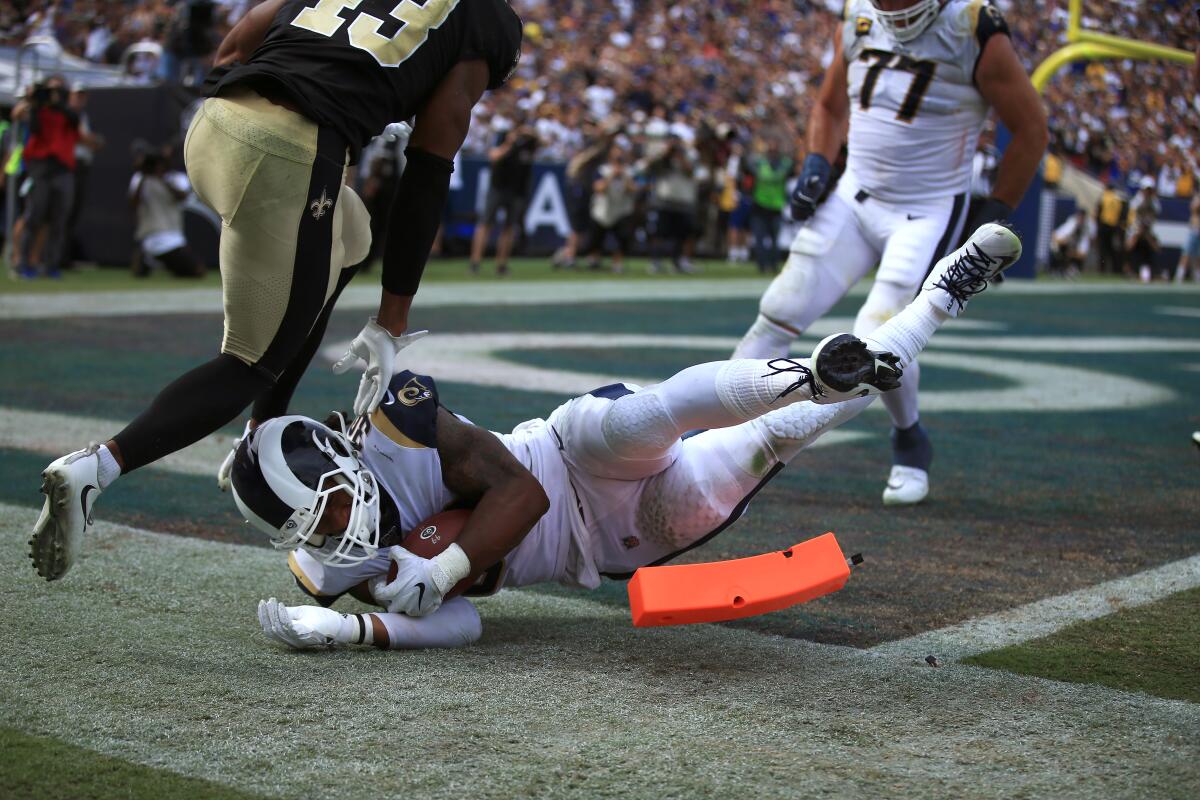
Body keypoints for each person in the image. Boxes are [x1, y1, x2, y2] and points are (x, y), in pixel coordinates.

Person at [248, 224, 1020, 650]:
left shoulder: (401, 425)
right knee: (787, 434)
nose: (333, 531)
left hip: (564, 451)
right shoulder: (331, 561)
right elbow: (465, 622)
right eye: (313, 527)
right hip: (609, 543)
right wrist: (360, 629)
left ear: (343, 461)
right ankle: (941, 300)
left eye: (329, 510)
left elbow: (522, 490)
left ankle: (814, 371)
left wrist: (446, 564)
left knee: (650, 415)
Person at [28, 0, 524, 582]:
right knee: (250, 363)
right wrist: (393, 318)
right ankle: (98, 467)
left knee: (352, 232)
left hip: (215, 122)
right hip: (289, 152)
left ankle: (259, 432)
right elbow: (429, 167)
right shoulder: (483, 19)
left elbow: (241, 38)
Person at [732, 0, 1047, 507]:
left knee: (875, 339)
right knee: (779, 311)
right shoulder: (858, 15)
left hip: (926, 210)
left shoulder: (974, 28)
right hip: (853, 198)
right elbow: (831, 105)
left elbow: (1032, 129)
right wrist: (818, 158)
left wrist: (996, 209)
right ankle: (719, 438)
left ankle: (909, 438)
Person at [13, 75, 80, 279]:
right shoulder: (38, 109)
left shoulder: (67, 112)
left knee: (59, 220)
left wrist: (57, 103)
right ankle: (24, 263)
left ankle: (51, 264)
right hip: (40, 168)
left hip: (62, 169)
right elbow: (32, 128)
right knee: (34, 215)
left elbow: (74, 122)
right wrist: (36, 103)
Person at [469, 114, 540, 277]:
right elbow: (493, 157)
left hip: (518, 189)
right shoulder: (503, 136)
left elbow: (543, 145)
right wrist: (510, 142)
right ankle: (475, 262)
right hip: (499, 186)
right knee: (485, 223)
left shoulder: (530, 141)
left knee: (509, 227)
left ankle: (501, 264)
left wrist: (531, 134)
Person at [129, 145, 205, 278]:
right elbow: (133, 204)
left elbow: (181, 197)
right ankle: (149, 259)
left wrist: (161, 178)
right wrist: (144, 174)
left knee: (197, 271)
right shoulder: (140, 179)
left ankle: (155, 263)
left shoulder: (177, 178)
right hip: (149, 238)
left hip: (173, 240)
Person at [580, 144, 637, 272]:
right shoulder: (602, 170)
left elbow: (634, 188)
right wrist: (611, 175)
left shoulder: (628, 171)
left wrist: (623, 176)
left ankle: (617, 263)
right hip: (603, 210)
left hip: (621, 209)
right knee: (596, 238)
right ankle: (594, 259)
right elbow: (598, 188)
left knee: (621, 238)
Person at [743, 137, 794, 274]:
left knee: (772, 240)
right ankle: (765, 265)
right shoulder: (773, 164)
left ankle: (770, 265)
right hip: (761, 206)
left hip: (773, 206)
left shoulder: (770, 164)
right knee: (763, 239)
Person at [1127, 177, 1161, 283]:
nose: (1147, 192)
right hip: (1137, 228)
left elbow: (1155, 214)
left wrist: (1147, 227)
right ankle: (1131, 269)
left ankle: (1152, 271)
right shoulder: (1137, 201)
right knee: (1132, 244)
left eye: (1149, 190)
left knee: (1153, 246)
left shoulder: (1154, 201)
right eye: (1146, 189)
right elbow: (1133, 218)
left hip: (1148, 230)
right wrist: (1138, 230)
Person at [1049, 208, 1094, 278]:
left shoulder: (1086, 229)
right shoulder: (1071, 224)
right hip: (1065, 247)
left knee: (1072, 253)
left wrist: (1072, 253)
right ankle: (1058, 269)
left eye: (1082, 217)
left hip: (1074, 251)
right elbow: (1055, 235)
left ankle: (1070, 269)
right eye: (1079, 217)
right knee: (1058, 248)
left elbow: (1083, 253)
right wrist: (1065, 243)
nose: (1080, 219)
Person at [1095, 180, 1126, 275]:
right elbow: (1122, 214)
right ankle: (1115, 270)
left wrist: (1098, 226)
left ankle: (1102, 270)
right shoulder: (1118, 199)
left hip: (1104, 225)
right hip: (1115, 227)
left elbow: (1098, 213)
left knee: (1103, 249)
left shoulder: (1104, 197)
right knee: (1113, 249)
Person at [1174, 192, 1200, 283]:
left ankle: (1197, 278)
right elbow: (1194, 209)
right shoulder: (1197, 198)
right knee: (1186, 254)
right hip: (1194, 230)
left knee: (1198, 257)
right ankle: (1179, 277)